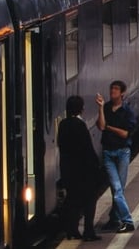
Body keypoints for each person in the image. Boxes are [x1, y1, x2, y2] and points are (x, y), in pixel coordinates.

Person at [57, 95, 102, 242]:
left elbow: (62, 147)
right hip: (84, 172)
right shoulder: (80, 125)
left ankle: (72, 230)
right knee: (90, 201)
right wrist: (96, 167)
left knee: (73, 200)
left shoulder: (63, 124)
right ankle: (89, 231)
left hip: (68, 171)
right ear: (81, 109)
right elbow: (87, 149)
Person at [96, 80, 138, 233]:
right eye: (111, 88)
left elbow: (125, 133)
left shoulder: (128, 112)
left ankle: (115, 219)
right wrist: (100, 108)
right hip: (108, 153)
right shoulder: (106, 108)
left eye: (115, 89)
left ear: (122, 93)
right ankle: (126, 220)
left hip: (122, 153)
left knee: (118, 189)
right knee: (117, 188)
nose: (112, 91)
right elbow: (100, 126)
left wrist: (109, 127)